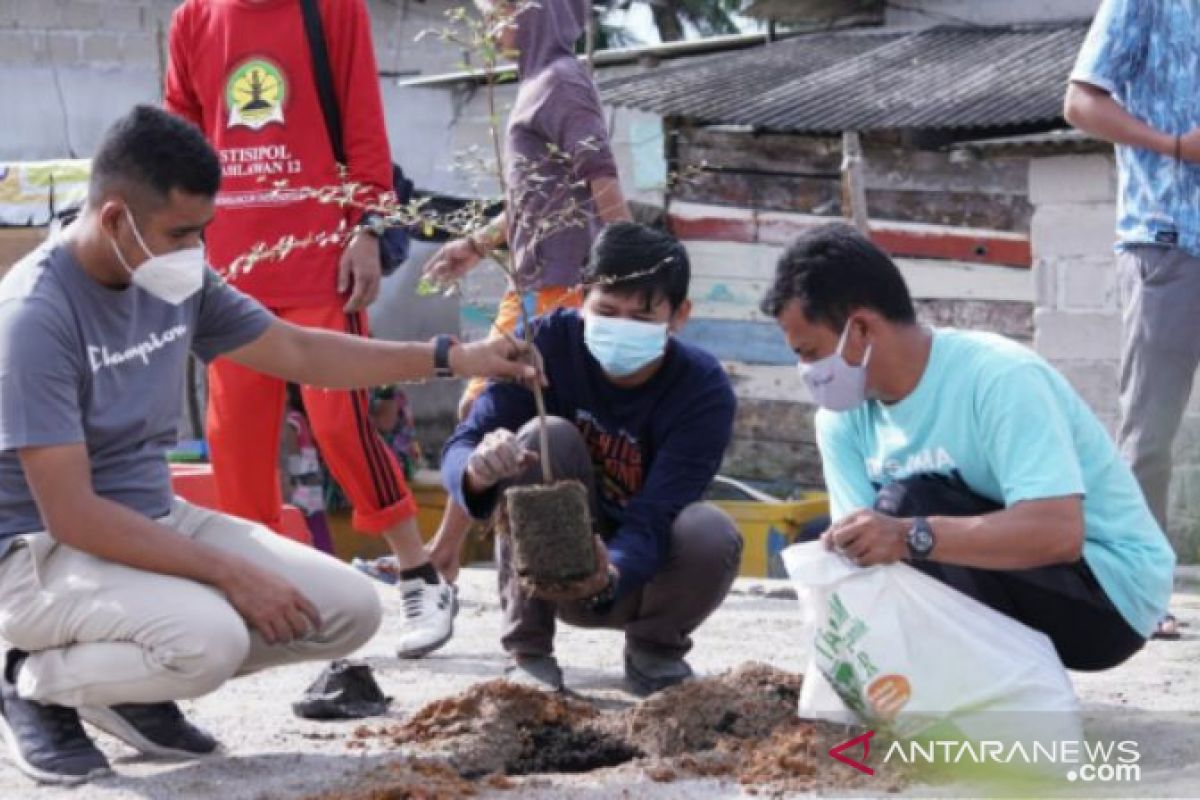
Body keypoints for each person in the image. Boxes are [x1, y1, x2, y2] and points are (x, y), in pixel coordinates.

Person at [0, 106, 536, 785]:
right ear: (114, 219)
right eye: (182, 233)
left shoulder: (170, 273)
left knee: (349, 610)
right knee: (209, 640)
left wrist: (453, 357)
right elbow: (71, 515)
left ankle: (125, 688)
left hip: (151, 518)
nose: (197, 250)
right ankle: (31, 679)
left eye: (204, 230)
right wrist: (228, 574)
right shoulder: (34, 317)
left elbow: (299, 351)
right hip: (40, 552)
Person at [165, 0, 456, 658]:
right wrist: (177, 246)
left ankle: (420, 575)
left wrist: (370, 227)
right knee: (235, 439)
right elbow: (176, 144)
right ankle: (258, 598)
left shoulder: (332, 8)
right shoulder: (193, 18)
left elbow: (364, 127)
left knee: (340, 424)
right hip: (230, 269)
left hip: (319, 257)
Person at [762, 223, 1176, 672]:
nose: (805, 370)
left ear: (860, 328)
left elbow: (1059, 533)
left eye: (809, 351)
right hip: (1006, 584)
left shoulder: (998, 377)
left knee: (905, 505)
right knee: (837, 539)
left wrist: (908, 536)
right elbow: (864, 559)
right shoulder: (841, 419)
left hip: (1106, 599)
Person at [441, 222, 742, 695]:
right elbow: (463, 442)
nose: (621, 328)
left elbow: (657, 514)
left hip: (638, 575)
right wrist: (477, 471)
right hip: (544, 568)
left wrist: (610, 574)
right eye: (606, 310)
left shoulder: (701, 390)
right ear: (580, 297)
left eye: (641, 319)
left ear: (679, 315)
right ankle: (528, 650)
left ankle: (654, 650)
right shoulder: (541, 345)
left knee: (711, 531)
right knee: (545, 436)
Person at [422, 0, 632, 587]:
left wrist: (630, 276)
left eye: (500, 10)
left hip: (561, 289)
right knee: (483, 406)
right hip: (534, 281)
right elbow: (535, 197)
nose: (492, 24)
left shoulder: (561, 81)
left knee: (497, 406)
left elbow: (601, 178)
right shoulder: (535, 83)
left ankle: (455, 556)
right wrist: (478, 242)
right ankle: (446, 553)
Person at [1063, 0, 1199, 639]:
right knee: (1151, 431)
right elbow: (1079, 103)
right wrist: (1174, 145)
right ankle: (1140, 597)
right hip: (1168, 243)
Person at [280, 384, 335, 554]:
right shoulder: (300, 418)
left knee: (304, 525)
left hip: (301, 485)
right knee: (317, 525)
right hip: (312, 484)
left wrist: (289, 486)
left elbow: (293, 457)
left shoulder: (289, 421)